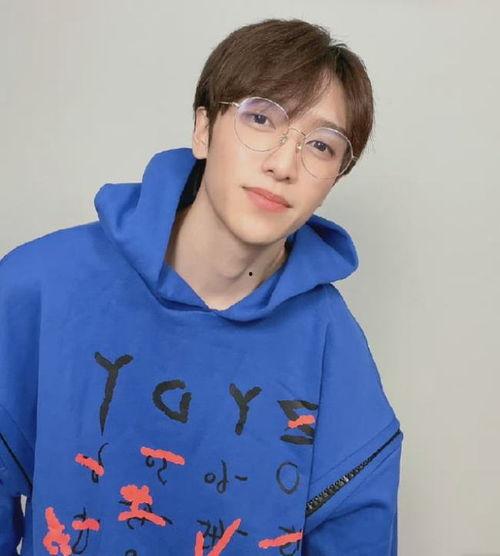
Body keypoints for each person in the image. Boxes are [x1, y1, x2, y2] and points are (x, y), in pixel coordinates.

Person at [0, 17, 403, 555]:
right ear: (203, 129)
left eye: (322, 146)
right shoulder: (39, 287)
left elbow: (358, 535)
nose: (284, 164)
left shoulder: (332, 346)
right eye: (261, 118)